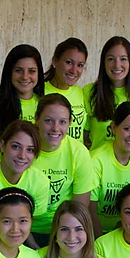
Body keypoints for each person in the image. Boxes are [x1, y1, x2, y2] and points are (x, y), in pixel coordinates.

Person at [32, 94, 94, 246]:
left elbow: (79, 208)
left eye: (62, 122)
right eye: (48, 121)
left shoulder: (78, 152)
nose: (55, 128)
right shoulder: (25, 149)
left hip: (64, 232)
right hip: (25, 230)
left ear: (70, 123)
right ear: (36, 119)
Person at [90, 101, 130, 237]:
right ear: (114, 128)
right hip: (97, 232)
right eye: (127, 129)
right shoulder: (96, 159)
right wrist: (100, 242)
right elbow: (90, 210)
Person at [0, 44, 44, 156]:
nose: (25, 77)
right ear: (9, 72)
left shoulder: (44, 106)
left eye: (31, 71)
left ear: (39, 73)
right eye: (18, 70)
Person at [83, 36, 130, 150]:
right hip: (98, 164)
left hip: (129, 165)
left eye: (123, 59)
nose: (117, 65)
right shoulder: (89, 92)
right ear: (103, 62)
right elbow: (84, 136)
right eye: (111, 59)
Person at [44, 37, 88, 143]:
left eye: (80, 65)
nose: (74, 70)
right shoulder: (39, 92)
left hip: (76, 158)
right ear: (55, 61)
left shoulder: (81, 93)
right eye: (69, 62)